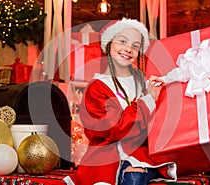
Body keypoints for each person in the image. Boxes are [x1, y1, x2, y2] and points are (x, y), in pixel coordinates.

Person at [64, 18, 176, 185]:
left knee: (135, 175)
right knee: (131, 177)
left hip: (142, 153)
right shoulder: (97, 88)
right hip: (106, 159)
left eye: (135, 46)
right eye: (122, 41)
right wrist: (148, 101)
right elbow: (114, 128)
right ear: (109, 44)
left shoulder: (143, 83)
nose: (128, 49)